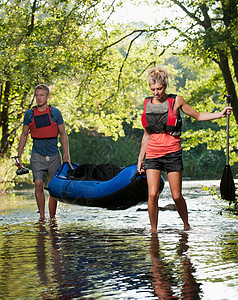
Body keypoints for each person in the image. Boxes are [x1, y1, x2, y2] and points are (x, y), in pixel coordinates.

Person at [137, 66, 232, 233]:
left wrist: (220, 114)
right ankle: (154, 231)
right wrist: (140, 158)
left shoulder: (176, 101)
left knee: (176, 196)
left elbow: (198, 116)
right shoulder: (147, 103)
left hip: (172, 153)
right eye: (153, 89)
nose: (156, 92)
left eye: (159, 89)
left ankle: (186, 225)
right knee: (152, 194)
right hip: (152, 154)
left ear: (165, 86)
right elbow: (146, 134)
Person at [16, 84, 71, 220]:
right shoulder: (29, 114)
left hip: (54, 156)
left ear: (47, 96)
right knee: (39, 183)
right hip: (37, 155)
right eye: (37, 95)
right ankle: (42, 217)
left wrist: (66, 156)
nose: (39, 98)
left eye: (42, 95)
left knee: (53, 187)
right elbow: (24, 135)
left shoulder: (55, 113)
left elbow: (63, 134)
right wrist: (19, 156)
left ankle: (52, 218)